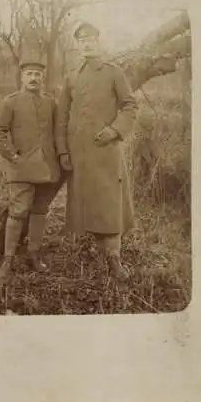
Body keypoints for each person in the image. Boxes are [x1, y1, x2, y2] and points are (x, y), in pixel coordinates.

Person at [55, 23, 139, 281]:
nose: (87, 44)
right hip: (79, 153)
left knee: (110, 201)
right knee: (86, 202)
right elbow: (61, 117)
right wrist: (63, 152)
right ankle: (95, 248)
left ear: (98, 41)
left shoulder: (113, 72)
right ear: (77, 45)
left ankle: (114, 258)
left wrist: (115, 131)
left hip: (106, 151)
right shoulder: (71, 77)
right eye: (82, 40)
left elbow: (130, 105)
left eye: (91, 39)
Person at [0, 52, 61, 281]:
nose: (33, 78)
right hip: (21, 168)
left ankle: (34, 255)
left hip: (48, 168)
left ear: (43, 78)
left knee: (40, 211)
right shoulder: (10, 101)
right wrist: (12, 156)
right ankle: (7, 260)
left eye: (37, 74)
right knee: (18, 211)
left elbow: (59, 131)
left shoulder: (51, 102)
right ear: (22, 77)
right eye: (29, 74)